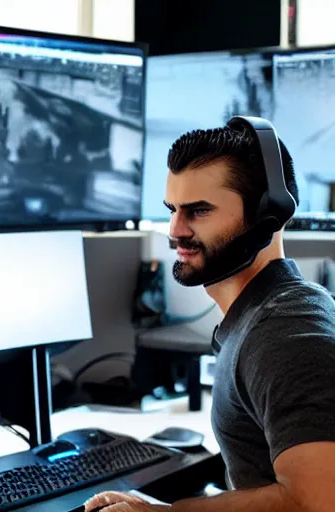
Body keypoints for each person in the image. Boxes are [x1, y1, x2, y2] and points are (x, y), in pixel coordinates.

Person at [84, 118, 335, 511]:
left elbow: (316, 501)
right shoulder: (259, 318)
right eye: (172, 209)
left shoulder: (288, 333)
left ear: (267, 217)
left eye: (198, 211)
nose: (174, 230)